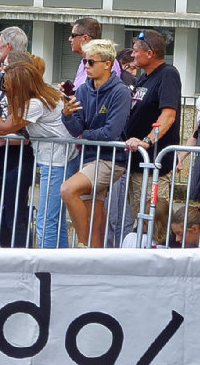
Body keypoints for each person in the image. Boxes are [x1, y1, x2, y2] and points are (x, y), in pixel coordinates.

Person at [99, 30, 181, 247]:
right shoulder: (145, 77)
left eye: (136, 52)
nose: (132, 56)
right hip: (136, 164)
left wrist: (147, 140)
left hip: (154, 164)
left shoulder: (168, 75)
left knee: (156, 220)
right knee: (140, 219)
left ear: (150, 53)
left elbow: (168, 115)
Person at [0, 63, 65, 248]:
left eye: (6, 82)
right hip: (51, 158)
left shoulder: (35, 104)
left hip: (54, 159)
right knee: (54, 219)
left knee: (46, 220)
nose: (3, 85)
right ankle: (59, 259)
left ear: (19, 84)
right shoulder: (38, 96)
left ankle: (45, 263)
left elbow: (3, 128)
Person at [58, 39, 131, 247]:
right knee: (95, 219)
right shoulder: (83, 90)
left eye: (91, 62)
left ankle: (82, 244)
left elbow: (111, 133)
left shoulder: (120, 92)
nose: (86, 66)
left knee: (68, 190)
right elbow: (76, 128)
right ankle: (93, 255)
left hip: (110, 159)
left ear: (107, 64)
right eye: (84, 63)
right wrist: (67, 115)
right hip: (91, 158)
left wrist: (84, 134)